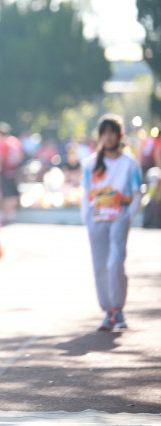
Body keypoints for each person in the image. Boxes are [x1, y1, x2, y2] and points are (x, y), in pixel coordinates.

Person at [81, 114, 143, 331]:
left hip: (119, 219)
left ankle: (118, 309)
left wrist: (128, 216)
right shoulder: (91, 163)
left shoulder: (129, 164)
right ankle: (108, 312)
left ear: (119, 135)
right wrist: (86, 218)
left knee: (115, 263)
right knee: (100, 265)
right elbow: (86, 193)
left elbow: (137, 193)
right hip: (97, 219)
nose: (108, 137)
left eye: (112, 133)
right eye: (104, 133)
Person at [0, 121, 24, 224]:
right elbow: (20, 156)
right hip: (15, 171)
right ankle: (11, 215)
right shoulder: (15, 141)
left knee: (5, 195)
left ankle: (6, 217)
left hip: (5, 171)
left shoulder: (2, 143)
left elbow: (0, 158)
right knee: (13, 194)